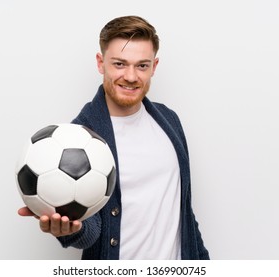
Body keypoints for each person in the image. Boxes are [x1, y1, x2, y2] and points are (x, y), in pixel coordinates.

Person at [18, 15, 209, 260]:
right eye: (119, 64)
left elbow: (184, 212)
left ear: (154, 66)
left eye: (142, 65)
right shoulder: (78, 140)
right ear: (101, 63)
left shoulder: (169, 120)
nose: (131, 76)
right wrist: (70, 230)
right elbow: (92, 230)